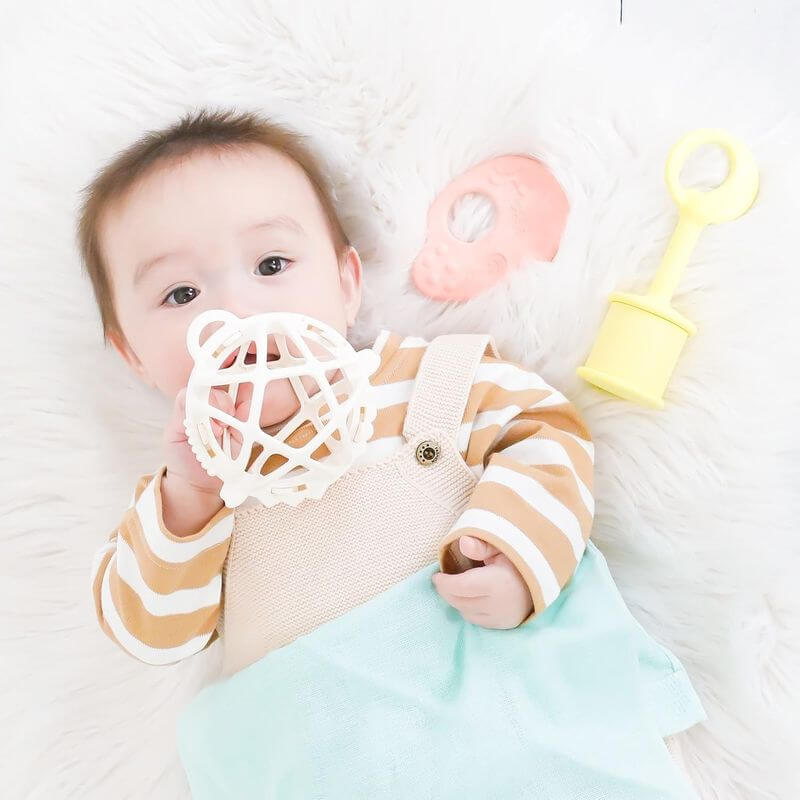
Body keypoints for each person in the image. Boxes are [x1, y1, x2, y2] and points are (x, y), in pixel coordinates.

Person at [81, 108, 704, 798]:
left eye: (271, 264)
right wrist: (188, 495)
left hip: (507, 743)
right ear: (134, 356)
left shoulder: (434, 381)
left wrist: (513, 552)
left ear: (347, 285)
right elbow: (151, 632)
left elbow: (546, 437)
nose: (236, 309)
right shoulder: (192, 489)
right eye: (181, 293)